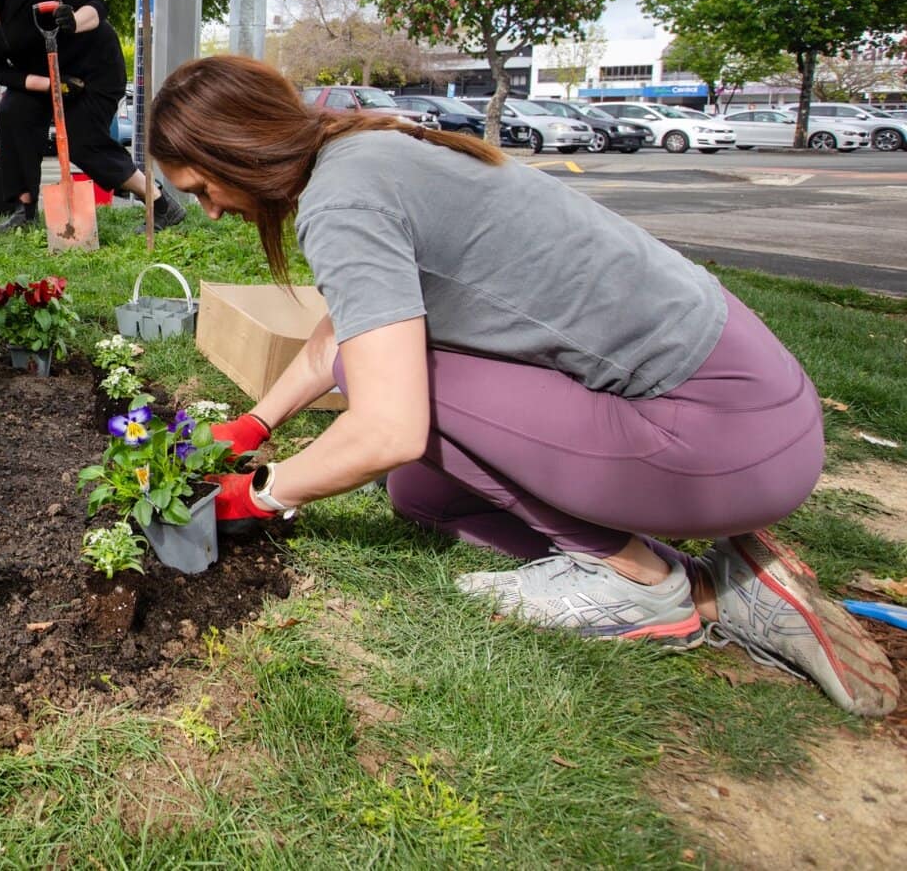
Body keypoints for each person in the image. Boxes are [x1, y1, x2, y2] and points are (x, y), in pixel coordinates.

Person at [147, 55, 900, 718]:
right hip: (759, 408)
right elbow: (347, 324)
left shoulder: (342, 200)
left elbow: (388, 428)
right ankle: (727, 587)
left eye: (203, 187)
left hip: (720, 432)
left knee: (393, 408)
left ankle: (645, 583)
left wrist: (262, 494)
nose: (212, 209)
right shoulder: (363, 149)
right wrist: (254, 425)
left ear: (237, 150)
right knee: (421, 495)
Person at [0, 0, 183, 232]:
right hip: (46, 77)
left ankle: (160, 203)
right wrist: (52, 85)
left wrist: (74, 21)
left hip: (94, 69)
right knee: (12, 114)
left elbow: (96, 6)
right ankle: (24, 211)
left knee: (83, 143)